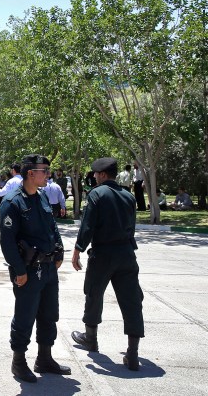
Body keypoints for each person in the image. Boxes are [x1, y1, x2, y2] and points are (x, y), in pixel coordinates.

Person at [0, 154, 70, 383]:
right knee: (25, 315)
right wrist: (19, 270)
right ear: (31, 173)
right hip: (28, 271)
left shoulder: (41, 196)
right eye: (45, 171)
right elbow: (7, 242)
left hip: (49, 268)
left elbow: (53, 227)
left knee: (49, 314)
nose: (48, 175)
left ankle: (44, 358)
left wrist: (59, 252)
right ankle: (19, 361)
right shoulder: (12, 202)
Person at [70, 157, 144, 371]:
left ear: (102, 174)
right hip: (127, 253)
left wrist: (78, 248)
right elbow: (131, 226)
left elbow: (88, 225)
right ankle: (133, 353)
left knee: (94, 294)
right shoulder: (128, 196)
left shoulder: (97, 194)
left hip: (103, 253)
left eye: (95, 173)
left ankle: (90, 339)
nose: (93, 176)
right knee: (132, 301)